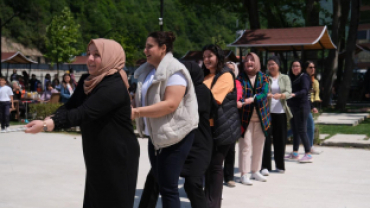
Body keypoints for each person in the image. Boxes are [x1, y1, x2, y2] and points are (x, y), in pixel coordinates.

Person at [25, 38, 139, 207]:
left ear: (110, 57)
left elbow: (84, 113)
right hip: (96, 154)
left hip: (117, 157)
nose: (90, 59)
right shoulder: (88, 80)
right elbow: (70, 106)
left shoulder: (113, 85)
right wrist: (50, 118)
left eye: (97, 55)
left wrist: (48, 125)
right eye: (89, 54)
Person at [132, 31, 198, 208]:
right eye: (145, 46)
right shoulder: (148, 71)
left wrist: (137, 112)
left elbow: (170, 104)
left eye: (150, 46)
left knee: (168, 188)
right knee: (162, 184)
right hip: (157, 136)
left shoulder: (175, 70)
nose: (145, 50)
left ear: (163, 48)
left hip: (177, 135)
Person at [138, 61, 214, 208]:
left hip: (198, 145)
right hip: (175, 140)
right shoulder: (174, 89)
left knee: (193, 184)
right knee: (156, 177)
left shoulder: (201, 91)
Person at [202, 44, 240, 208]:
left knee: (216, 166)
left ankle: (213, 204)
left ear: (218, 57)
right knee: (207, 166)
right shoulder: (206, 76)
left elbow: (213, 99)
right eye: (204, 57)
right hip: (206, 127)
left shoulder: (225, 75)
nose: (206, 60)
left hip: (221, 127)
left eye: (210, 56)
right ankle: (208, 200)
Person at [237, 52, 270, 185]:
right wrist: (240, 101)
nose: (249, 62)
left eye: (252, 60)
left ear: (257, 62)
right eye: (247, 60)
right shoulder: (240, 78)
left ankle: (255, 171)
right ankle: (244, 174)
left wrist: (253, 99)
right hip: (245, 118)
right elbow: (238, 93)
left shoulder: (264, 77)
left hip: (262, 118)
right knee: (245, 146)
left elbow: (264, 93)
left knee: (259, 146)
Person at [261, 56, 293, 176]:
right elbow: (261, 91)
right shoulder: (265, 78)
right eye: (269, 64)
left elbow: (289, 92)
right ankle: (265, 166)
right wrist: (266, 94)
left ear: (278, 65)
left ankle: (280, 165)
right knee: (266, 139)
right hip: (267, 113)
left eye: (273, 64)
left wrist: (281, 95)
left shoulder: (284, 78)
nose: (271, 66)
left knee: (280, 139)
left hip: (281, 112)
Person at [286, 60, 313, 163]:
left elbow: (305, 90)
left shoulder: (304, 77)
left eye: (297, 66)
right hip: (293, 107)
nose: (295, 68)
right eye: (293, 66)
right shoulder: (292, 78)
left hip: (302, 107)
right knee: (295, 129)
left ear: (301, 67)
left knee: (302, 130)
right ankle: (295, 153)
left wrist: (294, 94)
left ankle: (308, 154)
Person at [223, 61, 243, 188]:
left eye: (231, 69)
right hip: (218, 119)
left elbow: (238, 98)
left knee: (230, 149)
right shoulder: (219, 81)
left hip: (232, 119)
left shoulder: (237, 83)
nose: (229, 71)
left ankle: (229, 177)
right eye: (227, 68)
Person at [304, 61, 321, 155]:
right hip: (302, 106)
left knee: (299, 128)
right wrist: (312, 107)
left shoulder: (310, 79)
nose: (313, 69)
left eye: (314, 67)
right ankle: (310, 147)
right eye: (310, 67)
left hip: (306, 105)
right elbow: (305, 96)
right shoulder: (305, 78)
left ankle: (279, 138)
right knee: (310, 126)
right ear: (306, 68)